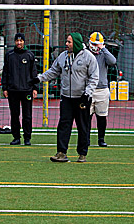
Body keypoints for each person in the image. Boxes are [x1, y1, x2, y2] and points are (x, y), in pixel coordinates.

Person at [37, 32, 99, 162]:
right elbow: (53, 71)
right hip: (66, 97)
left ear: (75, 43)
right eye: (66, 41)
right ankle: (61, 152)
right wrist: (39, 79)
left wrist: (87, 94)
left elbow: (94, 77)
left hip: (82, 98)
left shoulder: (88, 57)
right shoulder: (62, 56)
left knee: (83, 126)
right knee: (64, 124)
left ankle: (82, 153)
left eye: (69, 42)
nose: (66, 44)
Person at [2, 32, 38, 146]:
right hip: (13, 90)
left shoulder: (30, 55)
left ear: (24, 42)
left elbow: (34, 73)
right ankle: (16, 137)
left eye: (21, 41)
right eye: (17, 41)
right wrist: (5, 87)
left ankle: (27, 137)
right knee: (14, 114)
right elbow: (5, 72)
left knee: (27, 115)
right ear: (15, 42)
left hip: (27, 90)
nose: (19, 43)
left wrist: (35, 88)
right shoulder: (9, 55)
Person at [86, 32, 117, 147]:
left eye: (98, 44)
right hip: (88, 89)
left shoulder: (104, 54)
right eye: (94, 44)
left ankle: (101, 139)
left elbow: (113, 61)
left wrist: (103, 49)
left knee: (102, 116)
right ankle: (86, 139)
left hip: (102, 90)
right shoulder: (85, 54)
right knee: (86, 117)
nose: (96, 46)